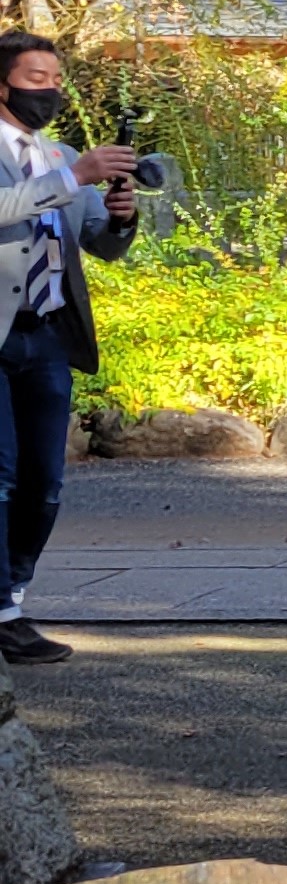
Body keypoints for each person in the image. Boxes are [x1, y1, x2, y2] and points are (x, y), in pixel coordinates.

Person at [0, 35, 140, 666]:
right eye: (36, 76)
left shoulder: (58, 153)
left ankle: (14, 594)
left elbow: (100, 245)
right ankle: (2, 614)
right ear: (4, 84)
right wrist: (73, 177)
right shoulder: (63, 165)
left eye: (56, 76)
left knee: (43, 482)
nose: (49, 88)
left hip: (48, 331)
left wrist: (118, 216)